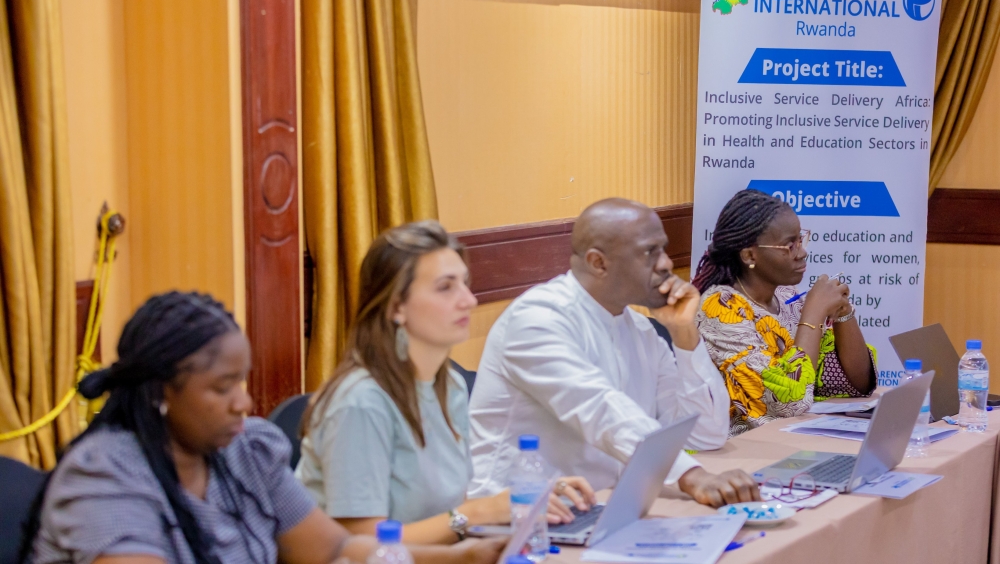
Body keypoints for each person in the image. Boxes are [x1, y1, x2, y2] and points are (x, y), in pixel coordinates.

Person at [30, 291, 504, 564]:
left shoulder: (244, 450)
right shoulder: (105, 478)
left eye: (242, 381)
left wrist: (462, 557)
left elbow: (336, 549)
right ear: (160, 392)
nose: (245, 402)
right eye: (222, 388)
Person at [297, 221, 595, 545]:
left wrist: (528, 496)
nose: (468, 300)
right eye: (445, 287)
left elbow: (448, 515)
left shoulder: (449, 385)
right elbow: (363, 545)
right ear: (396, 306)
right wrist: (479, 512)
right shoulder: (360, 403)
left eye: (464, 284)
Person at [468, 198, 760, 508]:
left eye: (663, 249)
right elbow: (600, 409)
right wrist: (692, 476)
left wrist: (683, 332)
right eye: (649, 252)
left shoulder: (639, 328)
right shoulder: (538, 319)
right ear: (598, 263)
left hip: (599, 508)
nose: (665, 263)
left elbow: (705, 435)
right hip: (516, 516)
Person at [692, 189, 877, 437]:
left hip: (791, 441)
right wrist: (813, 313)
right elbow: (787, 404)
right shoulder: (721, 307)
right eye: (789, 245)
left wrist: (843, 312)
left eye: (800, 240)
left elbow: (856, 384)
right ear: (749, 255)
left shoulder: (786, 296)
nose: (802, 252)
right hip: (740, 449)